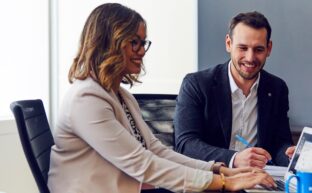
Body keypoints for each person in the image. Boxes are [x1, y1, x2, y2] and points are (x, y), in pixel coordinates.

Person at [47, 4, 276, 193]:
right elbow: (142, 164)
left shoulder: (121, 95)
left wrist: (218, 170)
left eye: (142, 42)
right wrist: (225, 183)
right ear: (108, 43)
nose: (141, 51)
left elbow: (156, 150)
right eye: (133, 42)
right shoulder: (87, 99)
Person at [174, 11, 295, 169]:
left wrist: (291, 157)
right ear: (229, 44)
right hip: (212, 178)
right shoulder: (196, 84)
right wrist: (235, 158)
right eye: (243, 48)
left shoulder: (277, 88)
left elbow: (279, 143)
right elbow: (185, 144)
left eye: (258, 49)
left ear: (269, 48)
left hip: (257, 180)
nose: (250, 58)